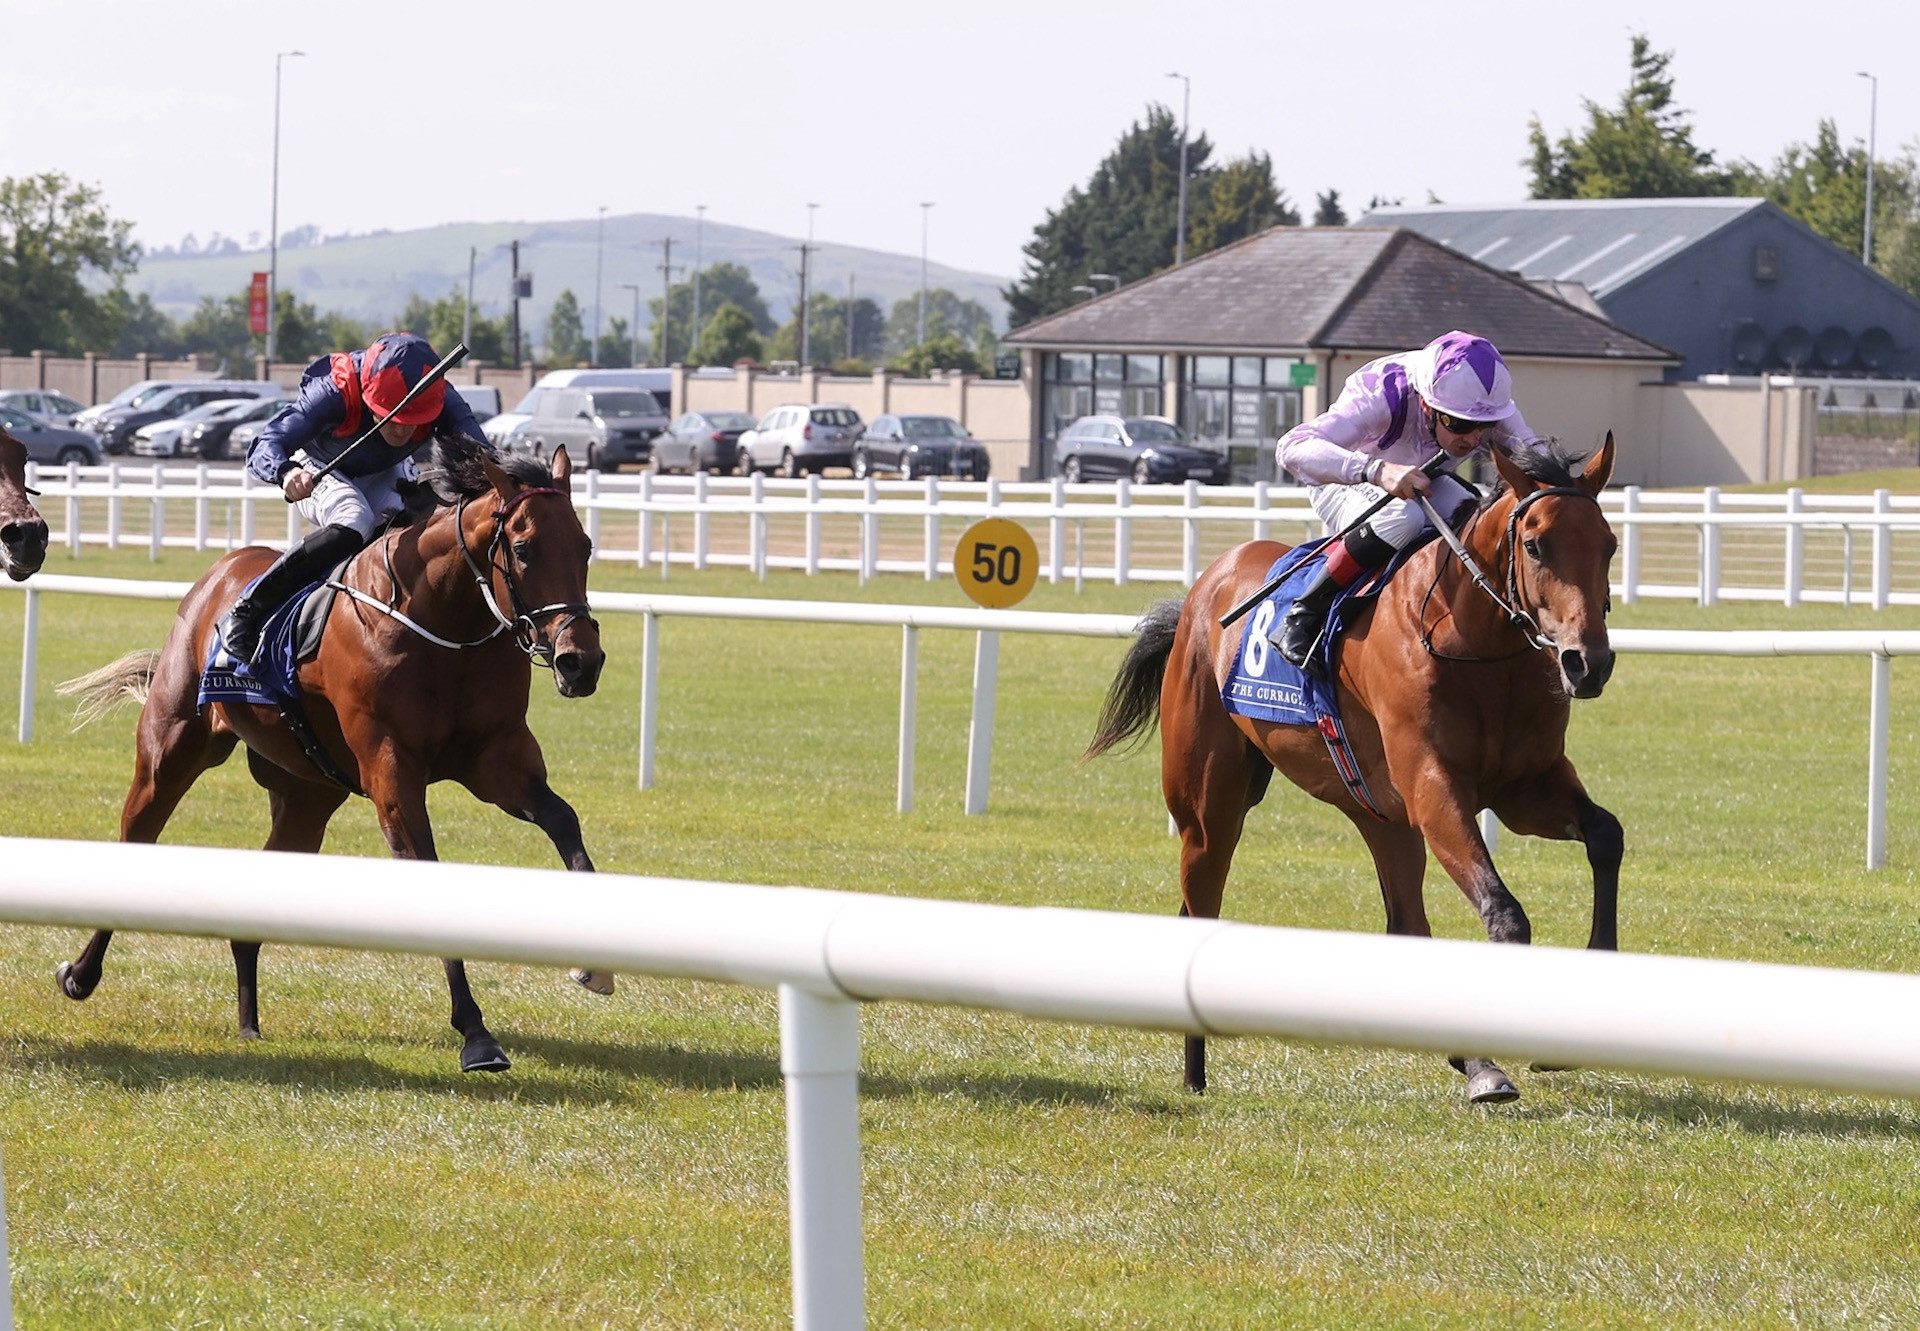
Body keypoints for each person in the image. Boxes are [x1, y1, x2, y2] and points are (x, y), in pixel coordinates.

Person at [1268, 330, 1543, 670]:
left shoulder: (1488, 404)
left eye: (1483, 427)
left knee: (1475, 517)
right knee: (1404, 518)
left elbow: (1534, 454)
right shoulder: (1380, 394)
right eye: (1458, 424)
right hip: (1344, 480)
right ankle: (1305, 613)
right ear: (1428, 404)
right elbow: (1291, 448)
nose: (1472, 440)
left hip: (1423, 479)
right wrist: (1375, 470)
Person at [218, 333, 486, 663]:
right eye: (392, 417)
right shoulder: (335, 388)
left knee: (413, 526)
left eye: (412, 421)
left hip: (385, 469)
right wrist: (285, 473)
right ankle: (247, 610)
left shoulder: (439, 394)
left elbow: (481, 456)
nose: (402, 431)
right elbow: (266, 443)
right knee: (354, 517)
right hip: (315, 466)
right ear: (369, 393)